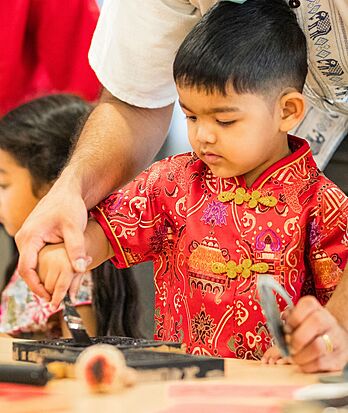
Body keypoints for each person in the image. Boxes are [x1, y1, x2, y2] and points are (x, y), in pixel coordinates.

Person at [16, 0, 348, 367]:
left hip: (279, 384)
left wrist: (326, 336)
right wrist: (69, 253)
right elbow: (108, 234)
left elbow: (332, 324)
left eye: (224, 121)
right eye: (190, 116)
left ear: (287, 112)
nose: (203, 136)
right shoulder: (171, 183)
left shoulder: (323, 205)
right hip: (182, 378)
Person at [0, 94, 141, 338]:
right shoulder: (23, 262)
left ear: (53, 187)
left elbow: (77, 353)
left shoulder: (75, 266)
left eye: (3, 184)